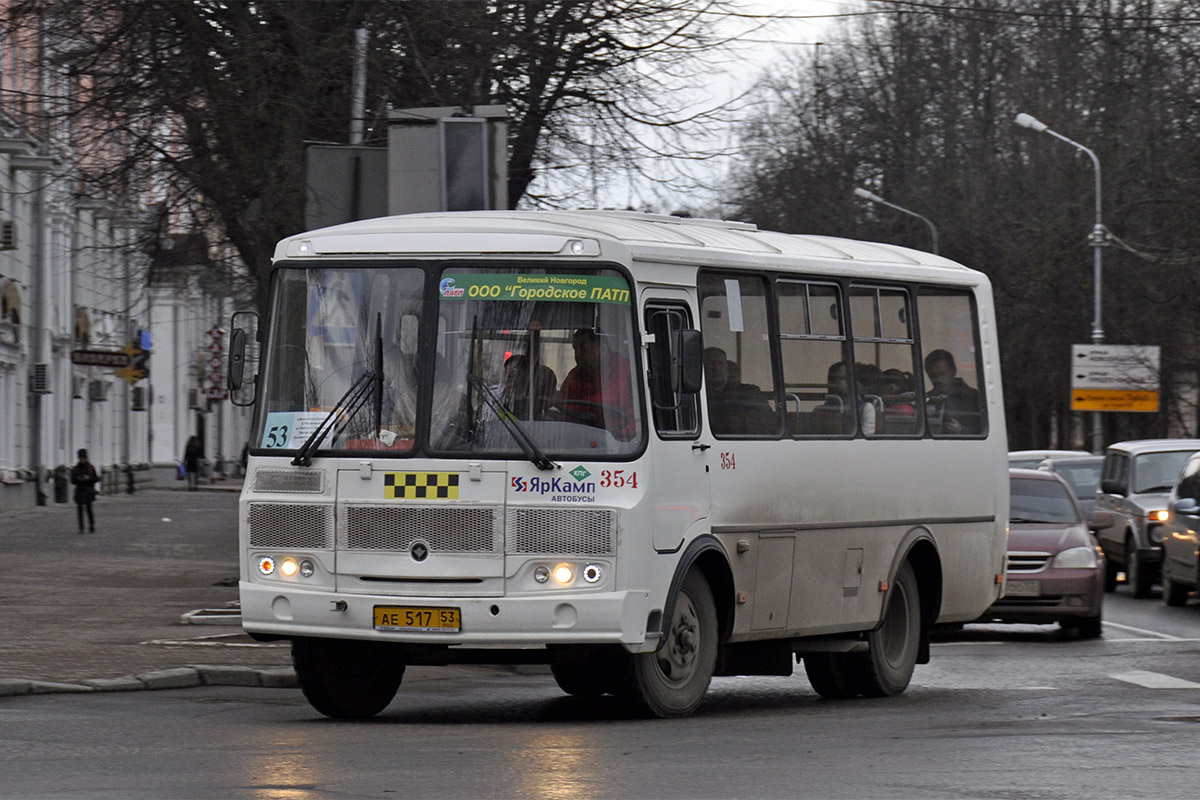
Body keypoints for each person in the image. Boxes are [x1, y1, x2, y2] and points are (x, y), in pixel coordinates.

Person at [557, 328, 635, 438]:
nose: (577, 354)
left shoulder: (622, 368)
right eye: (575, 349)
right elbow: (564, 401)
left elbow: (607, 401)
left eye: (583, 348)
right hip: (584, 435)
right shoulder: (576, 374)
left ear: (601, 348)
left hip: (621, 437)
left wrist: (574, 410)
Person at [924, 349, 981, 434]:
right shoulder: (927, 399)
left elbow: (987, 430)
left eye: (942, 374)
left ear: (953, 371)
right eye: (933, 376)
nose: (938, 380)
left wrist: (962, 431)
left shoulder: (975, 398)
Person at [71, 449, 99, 534]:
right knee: (79, 510)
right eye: (80, 458)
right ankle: (81, 528)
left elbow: (96, 479)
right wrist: (78, 479)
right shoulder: (76, 468)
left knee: (89, 509)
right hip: (79, 490)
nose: (82, 460)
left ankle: (91, 526)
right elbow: (72, 480)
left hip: (88, 491)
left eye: (83, 458)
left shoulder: (91, 468)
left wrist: (88, 478)